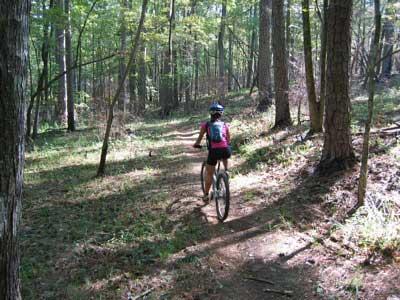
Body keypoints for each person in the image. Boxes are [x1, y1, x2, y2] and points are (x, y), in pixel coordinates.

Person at [193, 102, 231, 202]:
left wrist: (196, 144)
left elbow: (200, 138)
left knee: (209, 173)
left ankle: (206, 195)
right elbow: (228, 139)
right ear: (221, 114)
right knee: (225, 154)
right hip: (225, 150)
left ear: (211, 113)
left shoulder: (206, 125)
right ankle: (226, 171)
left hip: (213, 151)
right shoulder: (225, 125)